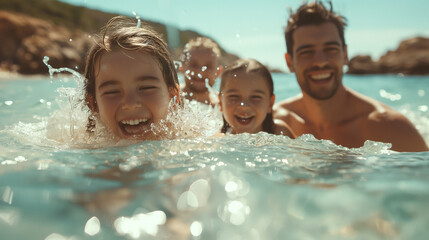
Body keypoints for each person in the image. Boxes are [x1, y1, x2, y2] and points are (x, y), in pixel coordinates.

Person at [273, 1, 428, 152]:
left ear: (345, 55)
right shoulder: (271, 124)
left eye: (330, 49)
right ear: (289, 62)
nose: (320, 62)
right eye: (306, 52)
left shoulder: (391, 128)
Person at [83, 16, 181, 141]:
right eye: (112, 92)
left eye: (146, 88)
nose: (130, 104)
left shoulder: (192, 143)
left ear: (173, 97)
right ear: (94, 105)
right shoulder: (83, 148)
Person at [219, 58, 294, 137]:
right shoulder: (216, 141)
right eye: (234, 96)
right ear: (220, 102)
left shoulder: (280, 133)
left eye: (255, 97)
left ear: (270, 103)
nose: (244, 106)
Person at [180, 37, 222, 106]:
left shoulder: (222, 107)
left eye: (208, 66)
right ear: (182, 68)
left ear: (218, 72)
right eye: (193, 65)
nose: (200, 72)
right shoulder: (168, 97)